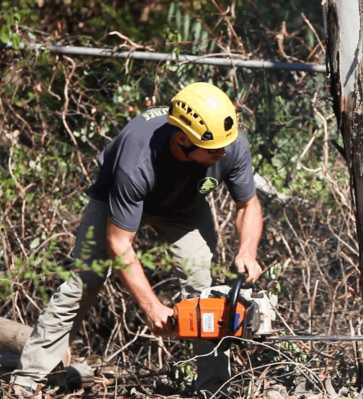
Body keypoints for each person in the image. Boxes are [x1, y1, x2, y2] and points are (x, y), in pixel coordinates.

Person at [10, 82, 263, 398]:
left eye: (226, 145)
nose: (224, 153)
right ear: (182, 139)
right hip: (114, 200)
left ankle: (213, 388)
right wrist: (152, 307)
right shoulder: (138, 159)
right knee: (84, 281)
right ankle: (30, 378)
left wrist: (247, 251)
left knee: (204, 292)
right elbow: (119, 244)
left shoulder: (227, 141)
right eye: (214, 150)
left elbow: (247, 204)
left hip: (184, 207)